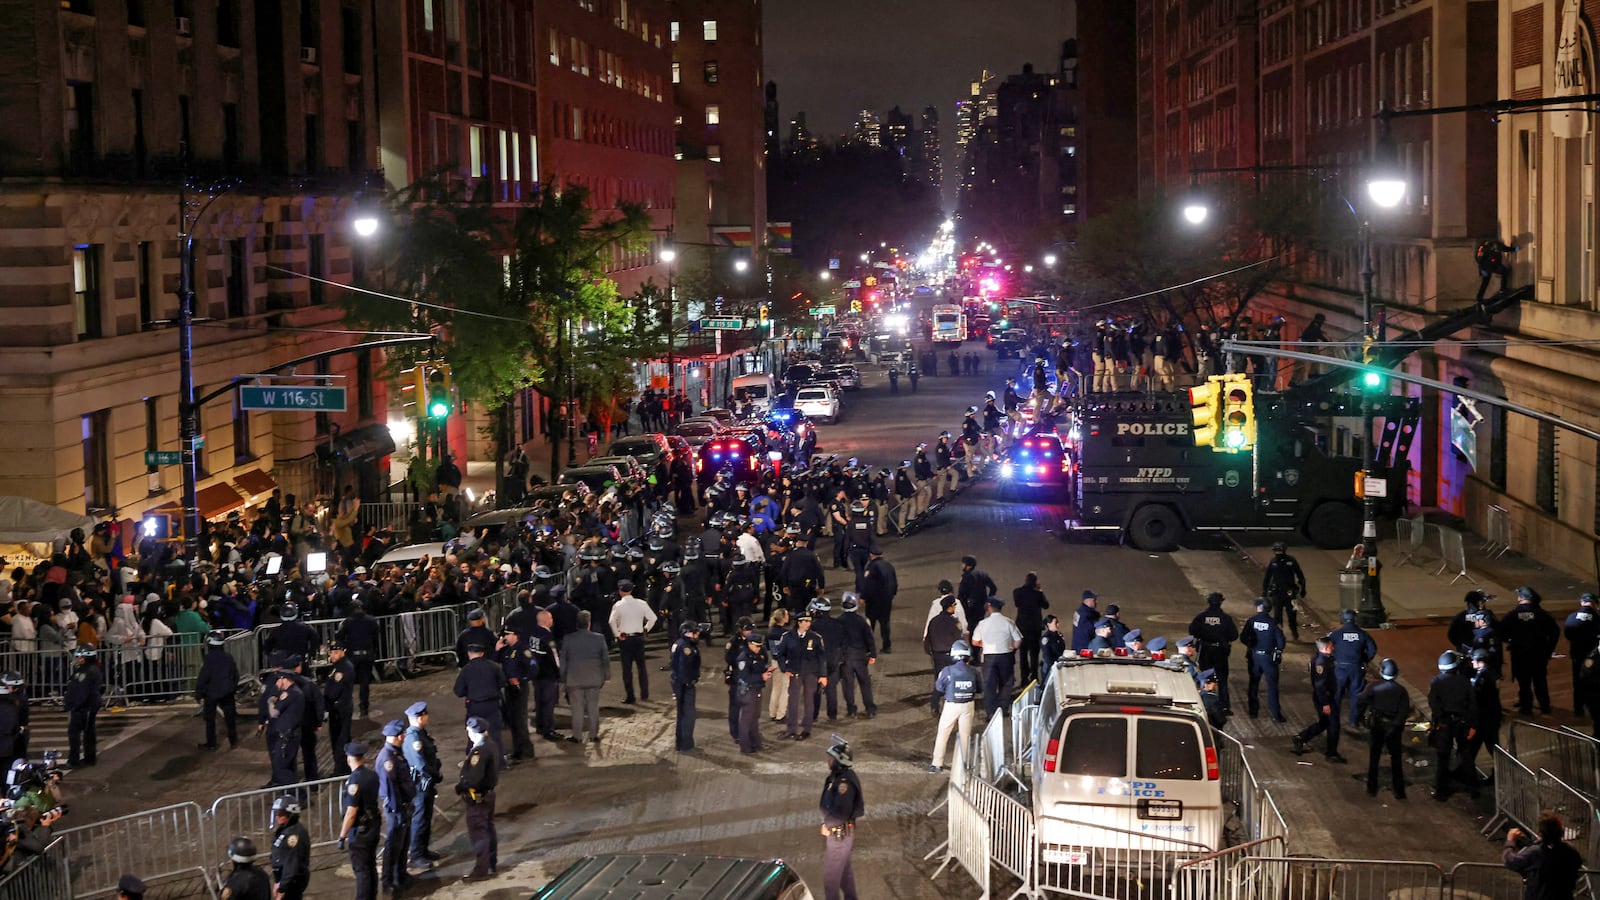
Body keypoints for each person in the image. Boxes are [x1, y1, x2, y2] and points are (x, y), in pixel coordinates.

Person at [1356, 658, 1411, 800]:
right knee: (1396, 759)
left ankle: (1371, 787)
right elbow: (1404, 711)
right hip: (1394, 728)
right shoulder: (1401, 690)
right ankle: (1399, 791)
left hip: (1378, 725)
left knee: (1374, 757)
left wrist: (1360, 717)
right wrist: (1395, 726)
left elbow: (1361, 701)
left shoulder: (1373, 687)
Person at [1427, 650, 1478, 801]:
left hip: (1444, 723)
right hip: (1462, 722)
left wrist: (1439, 719)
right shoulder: (1464, 681)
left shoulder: (1436, 681)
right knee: (1466, 755)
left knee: (1443, 758)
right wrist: (1472, 724)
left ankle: (1441, 791)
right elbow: (1473, 705)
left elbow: (1433, 703)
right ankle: (1473, 789)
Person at [1501, 586, 1559, 715]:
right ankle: (1544, 706)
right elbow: (1555, 632)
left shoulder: (1512, 615)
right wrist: (1549, 649)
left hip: (1519, 654)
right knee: (1540, 681)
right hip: (1539, 654)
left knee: (1524, 682)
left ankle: (1526, 707)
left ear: (1520, 598)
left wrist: (1510, 640)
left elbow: (1501, 632)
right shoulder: (1542, 614)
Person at [819, 736, 864, 900]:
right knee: (845, 874)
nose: (828, 761)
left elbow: (841, 813)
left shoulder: (844, 783)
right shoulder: (838, 777)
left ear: (839, 761)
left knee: (830, 881)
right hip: (840, 835)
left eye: (831, 759)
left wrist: (827, 824)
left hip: (839, 836)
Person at [401, 702, 444, 870]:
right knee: (419, 819)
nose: (428, 717)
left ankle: (423, 849)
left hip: (426, 784)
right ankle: (416, 854)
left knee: (426, 818)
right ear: (420, 718)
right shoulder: (414, 738)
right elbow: (422, 765)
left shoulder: (420, 733)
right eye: (425, 715)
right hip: (420, 785)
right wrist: (436, 775)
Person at [374, 721, 416, 894]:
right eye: (403, 735)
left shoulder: (395, 754)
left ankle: (401, 874)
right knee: (393, 845)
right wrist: (398, 810)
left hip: (403, 805)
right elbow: (391, 789)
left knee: (403, 842)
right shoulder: (388, 758)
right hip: (395, 808)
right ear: (399, 737)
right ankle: (388, 881)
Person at [458, 717, 500, 880]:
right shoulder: (491, 744)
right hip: (489, 795)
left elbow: (474, 777)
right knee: (489, 829)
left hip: (478, 797)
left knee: (479, 832)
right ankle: (491, 864)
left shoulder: (479, 751)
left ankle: (481, 869)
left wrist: (463, 786)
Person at [337, 741, 381, 900]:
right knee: (370, 866)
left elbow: (351, 812)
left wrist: (342, 836)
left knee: (361, 870)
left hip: (361, 831)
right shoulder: (372, 775)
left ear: (349, 759)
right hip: (373, 825)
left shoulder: (354, 782)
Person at [1292, 636, 1345, 763]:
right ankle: (1331, 753)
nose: (1333, 648)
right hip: (1325, 698)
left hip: (1323, 697)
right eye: (1332, 646)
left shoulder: (1320, 658)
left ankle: (1301, 738)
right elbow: (1320, 685)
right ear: (1326, 648)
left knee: (1324, 723)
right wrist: (1325, 703)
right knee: (1333, 725)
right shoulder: (1322, 662)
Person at [1503, 814, 1584, 898]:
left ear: (1541, 834)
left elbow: (1510, 861)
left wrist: (1510, 841)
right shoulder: (1570, 850)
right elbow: (1578, 863)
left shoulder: (1536, 853)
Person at [929, 641, 978, 773]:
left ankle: (937, 764)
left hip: (951, 705)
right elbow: (980, 688)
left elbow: (939, 687)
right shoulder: (974, 671)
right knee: (965, 735)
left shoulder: (947, 671)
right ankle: (963, 764)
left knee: (943, 733)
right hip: (968, 705)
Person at [561, 611, 610, 744]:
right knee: (593, 707)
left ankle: (577, 736)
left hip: (574, 678)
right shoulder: (599, 638)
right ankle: (594, 735)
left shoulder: (568, 639)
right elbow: (605, 658)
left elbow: (563, 660)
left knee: (577, 709)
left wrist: (563, 678)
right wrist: (606, 675)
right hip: (594, 678)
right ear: (589, 623)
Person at [778, 611, 828, 740]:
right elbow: (780, 654)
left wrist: (823, 675)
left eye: (809, 621)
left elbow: (822, 658)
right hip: (795, 672)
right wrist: (785, 668)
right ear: (798, 622)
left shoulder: (815, 637)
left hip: (811, 673)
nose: (808, 624)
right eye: (805, 621)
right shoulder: (788, 636)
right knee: (793, 701)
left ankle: (807, 729)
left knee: (808, 701)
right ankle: (791, 729)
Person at [453, 644, 507, 761]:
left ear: (469, 654)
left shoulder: (466, 669)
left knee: (474, 734)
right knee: (495, 734)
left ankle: (474, 762)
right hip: (492, 705)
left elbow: (458, 691)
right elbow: (503, 682)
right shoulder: (494, 666)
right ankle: (499, 762)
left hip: (475, 707)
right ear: (482, 653)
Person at [608, 579, 658, 704]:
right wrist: (646, 629)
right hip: (639, 637)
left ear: (620, 591)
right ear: (631, 590)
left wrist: (617, 634)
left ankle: (630, 696)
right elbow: (653, 618)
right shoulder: (641, 603)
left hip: (625, 639)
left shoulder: (618, 605)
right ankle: (644, 694)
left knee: (627, 669)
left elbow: (611, 621)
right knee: (642, 667)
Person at [1189, 592, 1239, 714]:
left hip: (1205, 650)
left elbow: (1192, 630)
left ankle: (1202, 702)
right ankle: (1225, 706)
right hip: (1220, 651)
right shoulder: (1226, 618)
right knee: (1222, 678)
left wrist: (1204, 635)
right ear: (1221, 602)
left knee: (1204, 676)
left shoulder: (1202, 617)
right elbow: (1234, 635)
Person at [971, 596, 1022, 717]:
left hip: (989, 657)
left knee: (989, 685)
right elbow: (1018, 641)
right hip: (1006, 656)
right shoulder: (1008, 622)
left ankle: (990, 712)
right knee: (1006, 683)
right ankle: (1003, 709)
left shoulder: (983, 624)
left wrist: (985, 643)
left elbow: (974, 641)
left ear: (989, 607)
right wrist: (1011, 647)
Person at [1328, 608, 1378, 727]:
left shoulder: (1336, 634)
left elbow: (1326, 645)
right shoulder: (1362, 633)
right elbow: (1372, 649)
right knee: (1356, 694)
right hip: (1356, 667)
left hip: (1340, 668)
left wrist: (1333, 657)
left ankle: (1333, 720)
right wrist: (1365, 659)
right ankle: (1354, 720)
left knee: (1337, 694)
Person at [1240, 598, 1286, 722]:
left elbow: (1243, 637)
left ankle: (1253, 712)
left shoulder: (1251, 621)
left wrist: (1252, 645)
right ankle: (1276, 714)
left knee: (1253, 684)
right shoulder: (1273, 623)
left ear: (1260, 608)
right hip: (1268, 658)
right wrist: (1277, 650)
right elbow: (1281, 642)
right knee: (1272, 686)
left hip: (1254, 657)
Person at [258, 669, 305, 787]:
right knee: (288, 766)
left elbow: (274, 713)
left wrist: (270, 702)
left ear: (284, 679)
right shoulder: (296, 692)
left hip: (287, 737)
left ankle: (300, 796)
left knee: (279, 767)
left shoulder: (289, 694)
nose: (276, 684)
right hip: (291, 735)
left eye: (278, 680)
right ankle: (290, 794)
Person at [496, 629, 536, 762]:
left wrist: (522, 678)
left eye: (507, 635)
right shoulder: (507, 650)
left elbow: (533, 667)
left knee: (520, 719)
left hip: (519, 688)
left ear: (515, 635)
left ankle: (527, 750)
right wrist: (497, 648)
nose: (505, 637)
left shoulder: (522, 649)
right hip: (509, 688)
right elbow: (497, 662)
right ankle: (518, 750)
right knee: (512, 719)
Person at [195, 631, 239, 751]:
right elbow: (235, 674)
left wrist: (198, 692)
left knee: (210, 719)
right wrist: (233, 687)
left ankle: (211, 743)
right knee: (230, 717)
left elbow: (204, 676)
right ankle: (233, 740)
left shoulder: (209, 659)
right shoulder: (228, 657)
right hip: (227, 692)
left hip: (212, 692)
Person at [335, 600, 379, 717]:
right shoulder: (371, 621)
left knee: (348, 683)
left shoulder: (348, 622)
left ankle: (347, 706)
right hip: (367, 655)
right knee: (365, 683)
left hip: (352, 657)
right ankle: (364, 708)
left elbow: (340, 638)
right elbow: (375, 638)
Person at [837, 594, 877, 719]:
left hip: (845, 657)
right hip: (860, 656)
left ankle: (851, 710)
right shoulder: (862, 620)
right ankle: (870, 708)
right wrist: (873, 654)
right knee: (865, 683)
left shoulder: (838, 621)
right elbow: (869, 638)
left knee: (848, 684)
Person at [64, 645, 103, 767]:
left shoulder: (89, 671)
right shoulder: (83, 669)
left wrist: (75, 705)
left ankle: (75, 760)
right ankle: (88, 758)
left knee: (77, 733)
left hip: (85, 706)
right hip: (84, 706)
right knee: (87, 732)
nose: (78, 658)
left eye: (80, 656)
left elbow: (83, 691)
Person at [734, 628, 772, 754]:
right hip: (748, 692)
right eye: (756, 646)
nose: (758, 648)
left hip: (756, 689)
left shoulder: (758, 654)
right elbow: (744, 676)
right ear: (749, 644)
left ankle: (755, 743)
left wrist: (766, 671)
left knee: (755, 718)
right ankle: (745, 747)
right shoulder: (743, 658)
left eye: (760, 646)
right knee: (746, 720)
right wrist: (761, 677)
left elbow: (759, 668)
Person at [322, 642, 355, 776]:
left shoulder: (343, 668)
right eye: (331, 652)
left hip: (340, 709)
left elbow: (334, 691)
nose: (333, 655)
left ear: (343, 652)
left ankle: (341, 769)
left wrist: (325, 702)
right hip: (338, 708)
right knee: (339, 738)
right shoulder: (338, 666)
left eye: (336, 652)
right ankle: (342, 766)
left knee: (340, 739)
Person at [270, 794, 312, 900]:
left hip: (291, 883)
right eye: (277, 813)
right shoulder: (285, 830)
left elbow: (292, 864)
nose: (277, 816)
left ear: (290, 815)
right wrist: (277, 881)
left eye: (281, 814)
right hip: (285, 880)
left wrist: (282, 888)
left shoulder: (294, 835)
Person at [1261, 542, 1306, 640]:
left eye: (1279, 550)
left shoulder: (1291, 561)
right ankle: (1278, 635)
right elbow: (1267, 577)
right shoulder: (1273, 562)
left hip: (1290, 593)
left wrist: (1303, 588)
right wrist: (1264, 591)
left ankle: (1294, 632)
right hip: (1277, 593)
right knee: (1277, 616)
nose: (1278, 552)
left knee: (1292, 615)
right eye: (1276, 550)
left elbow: (1300, 575)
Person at [1563, 593, 1599, 714]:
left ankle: (1578, 709)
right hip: (1593, 657)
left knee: (1578, 681)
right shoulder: (1597, 618)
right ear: (1594, 603)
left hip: (1577, 655)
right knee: (1594, 682)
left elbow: (1568, 634)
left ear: (1581, 602)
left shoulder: (1572, 617)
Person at [671, 621, 703, 751]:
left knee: (682, 714)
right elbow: (684, 668)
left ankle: (681, 743)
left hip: (679, 683)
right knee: (688, 714)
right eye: (695, 632)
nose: (697, 635)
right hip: (685, 684)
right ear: (688, 633)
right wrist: (688, 683)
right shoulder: (686, 647)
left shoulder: (680, 643)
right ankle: (686, 744)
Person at [1012, 572, 1048, 684]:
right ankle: (1034, 676)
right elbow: (1046, 605)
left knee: (1023, 653)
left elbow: (1017, 604)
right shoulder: (1038, 594)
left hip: (1022, 627)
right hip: (1034, 627)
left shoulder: (1017, 592)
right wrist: (1040, 591)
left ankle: (1024, 677)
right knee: (1034, 653)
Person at [858, 549, 897, 653]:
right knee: (885, 623)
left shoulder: (872, 567)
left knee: (870, 624)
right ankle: (887, 646)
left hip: (874, 601)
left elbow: (868, 584)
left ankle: (868, 648)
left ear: (871, 555)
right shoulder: (889, 565)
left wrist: (863, 597)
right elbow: (894, 581)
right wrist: (892, 594)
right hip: (886, 600)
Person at [956, 556, 997, 634]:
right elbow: (993, 588)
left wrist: (959, 605)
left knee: (972, 628)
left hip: (969, 607)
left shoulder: (966, 576)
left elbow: (962, 593)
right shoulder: (983, 574)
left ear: (969, 565)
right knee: (980, 625)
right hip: (981, 606)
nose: (962, 565)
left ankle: (974, 644)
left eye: (963, 564)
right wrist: (988, 600)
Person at [1039, 615, 1067, 684]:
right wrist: (1055, 666)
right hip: (1049, 667)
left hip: (1059, 664)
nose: (1058, 624)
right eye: (1055, 623)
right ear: (1049, 624)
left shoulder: (1059, 635)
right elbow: (1047, 656)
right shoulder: (1046, 639)